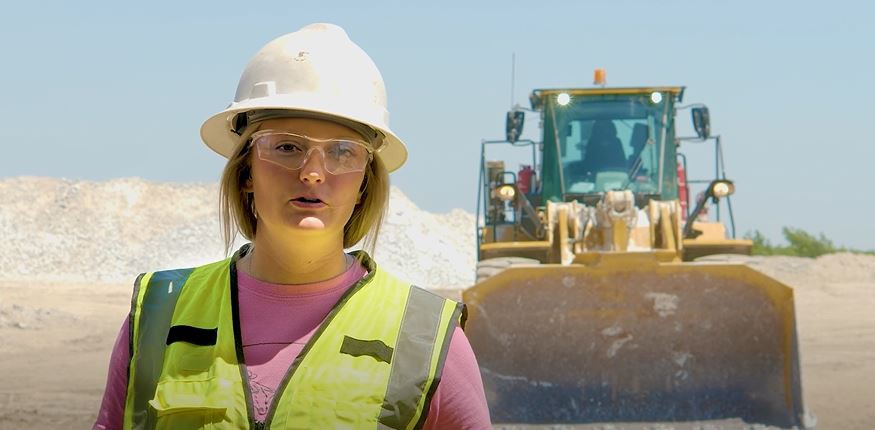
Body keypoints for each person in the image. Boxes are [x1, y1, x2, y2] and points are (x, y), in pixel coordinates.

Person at [93, 23, 491, 429]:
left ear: (364, 183)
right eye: (287, 146)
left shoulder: (425, 339)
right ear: (246, 169)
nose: (313, 173)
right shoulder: (159, 319)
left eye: (341, 152)